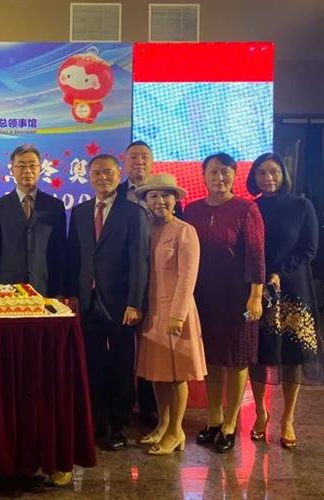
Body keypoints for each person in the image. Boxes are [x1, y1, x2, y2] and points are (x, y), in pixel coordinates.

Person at [66, 153, 149, 451]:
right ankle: (97, 420)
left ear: (118, 175)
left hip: (121, 303)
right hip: (88, 302)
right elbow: (74, 256)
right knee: (94, 363)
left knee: (122, 365)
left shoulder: (134, 212)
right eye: (97, 173)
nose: (102, 177)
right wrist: (73, 294)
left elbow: (140, 261)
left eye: (108, 172)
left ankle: (119, 425)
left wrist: (135, 302)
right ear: (89, 177)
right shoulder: (80, 212)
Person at [184, 152, 265, 453]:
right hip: (204, 295)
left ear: (234, 175)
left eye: (225, 172)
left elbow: (256, 255)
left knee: (237, 358)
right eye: (214, 172)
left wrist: (255, 296)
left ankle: (231, 423)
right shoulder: (192, 210)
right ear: (203, 175)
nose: (220, 177)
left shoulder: (246, 208)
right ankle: (214, 418)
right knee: (213, 359)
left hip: (238, 296)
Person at [246, 152, 322, 449]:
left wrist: (279, 272)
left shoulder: (302, 206)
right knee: (256, 352)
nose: (268, 178)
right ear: (254, 177)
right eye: (262, 173)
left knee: (293, 355)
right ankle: (261, 413)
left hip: (293, 288)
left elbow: (309, 249)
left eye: (274, 172)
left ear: (283, 175)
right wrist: (260, 277)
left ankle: (287, 418)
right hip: (257, 289)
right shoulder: (251, 208)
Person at [134, 173, 207, 455]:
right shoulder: (145, 231)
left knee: (177, 376)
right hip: (151, 312)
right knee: (157, 374)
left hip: (177, 313)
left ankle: (176, 431)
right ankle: (163, 425)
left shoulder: (185, 231)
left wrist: (177, 315)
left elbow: (188, 277)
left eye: (166, 195)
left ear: (175, 199)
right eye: (153, 196)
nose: (159, 201)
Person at [119, 140, 181, 428]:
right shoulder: (116, 194)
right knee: (126, 351)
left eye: (144, 156)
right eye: (133, 156)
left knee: (153, 350)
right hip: (125, 286)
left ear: (153, 161)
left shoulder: (167, 197)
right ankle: (123, 407)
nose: (139, 161)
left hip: (160, 288)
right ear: (125, 162)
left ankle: (150, 408)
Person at [0, 144, 66, 295]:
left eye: (32, 165)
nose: (27, 171)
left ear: (40, 169)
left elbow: (61, 251)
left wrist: (61, 291)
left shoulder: (55, 206)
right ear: (12, 170)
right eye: (21, 165)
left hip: (45, 286)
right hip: (7, 288)